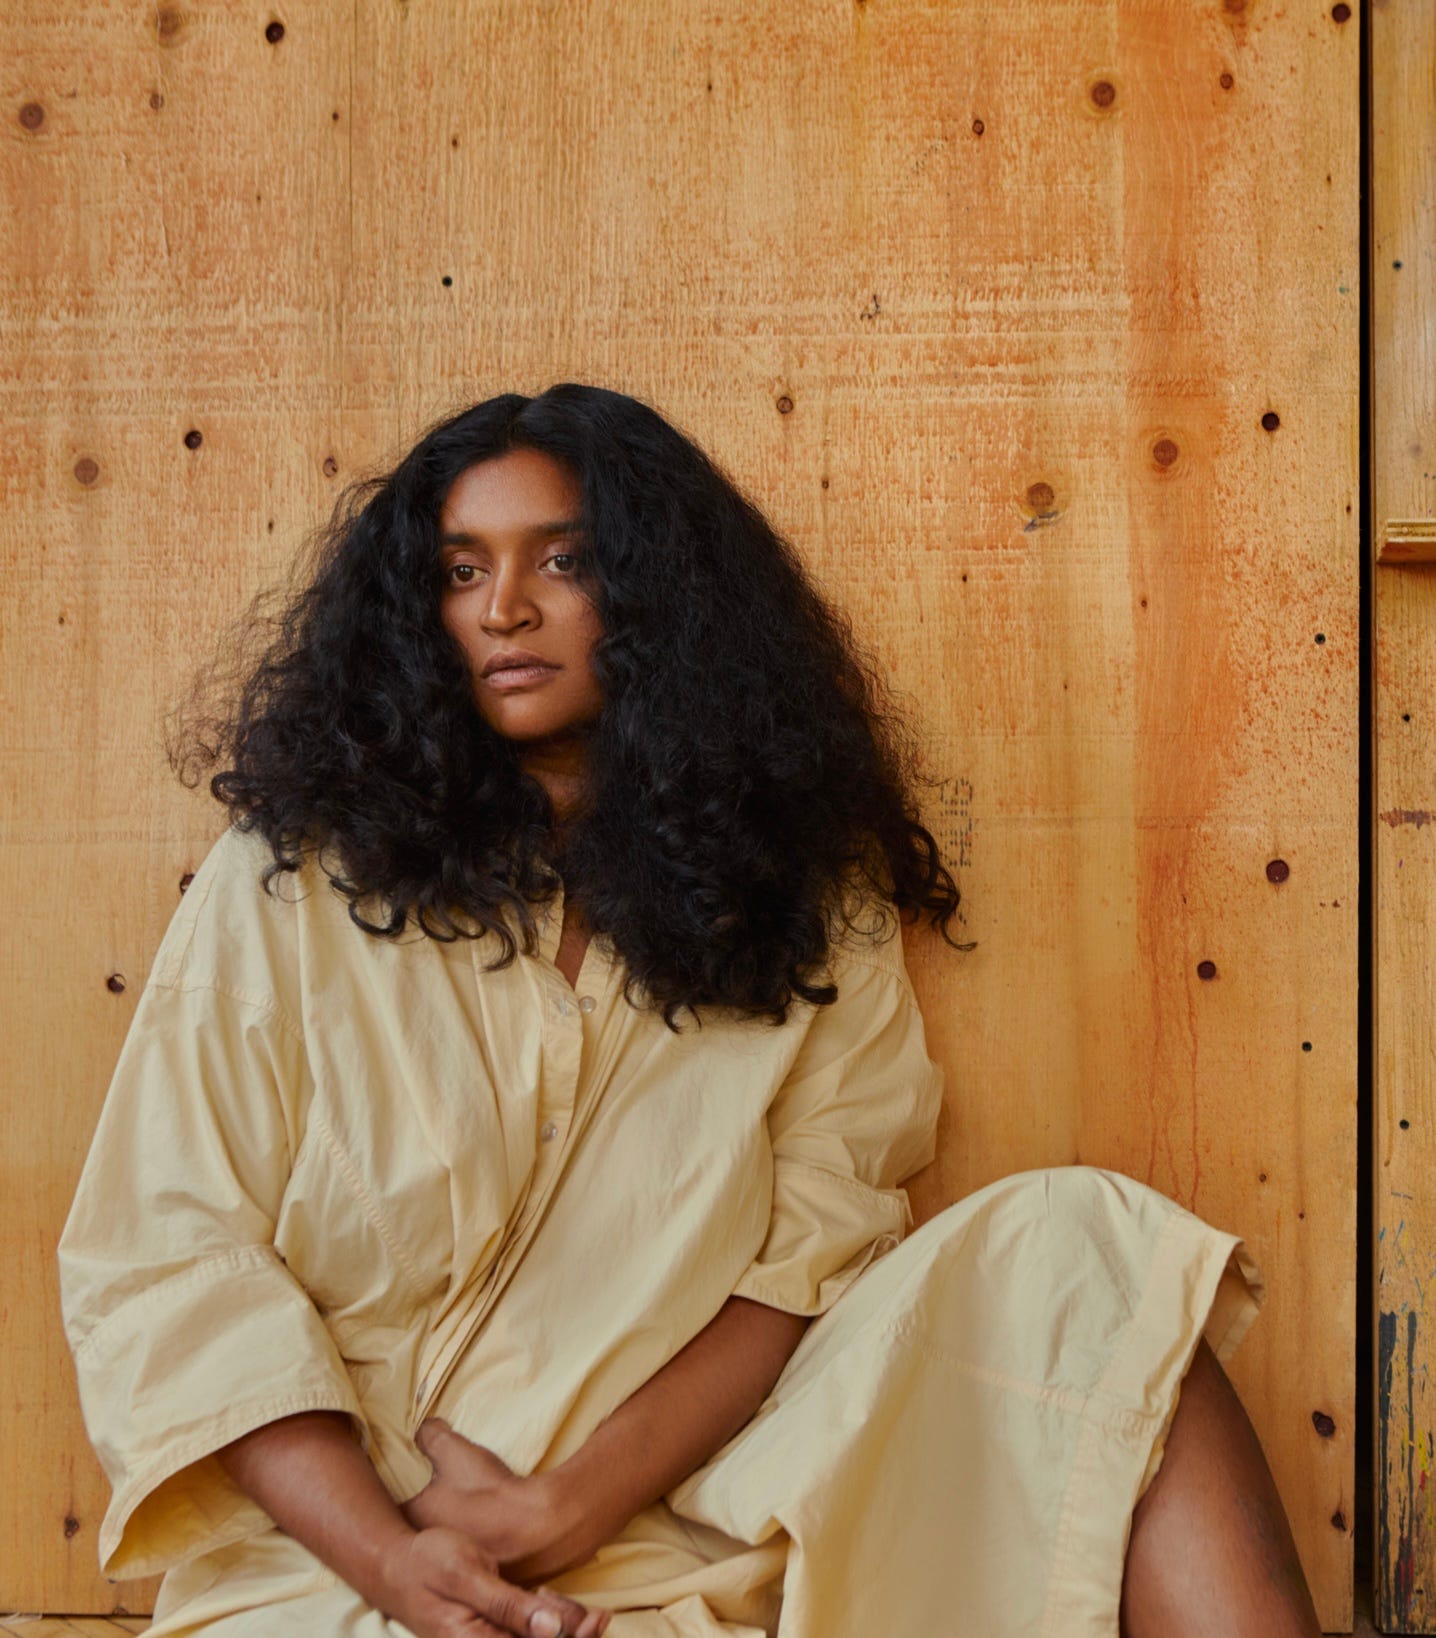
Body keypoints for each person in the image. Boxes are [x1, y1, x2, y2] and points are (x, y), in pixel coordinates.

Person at [58, 384, 1321, 1637]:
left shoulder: (798, 891)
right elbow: (176, 1262)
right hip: (342, 1560)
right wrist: (398, 1567)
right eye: (459, 570)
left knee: (1083, 1262)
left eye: (564, 560)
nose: (503, 609)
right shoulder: (290, 882)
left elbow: (808, 1253)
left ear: (659, 592)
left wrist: (566, 1507)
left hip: (698, 1516)